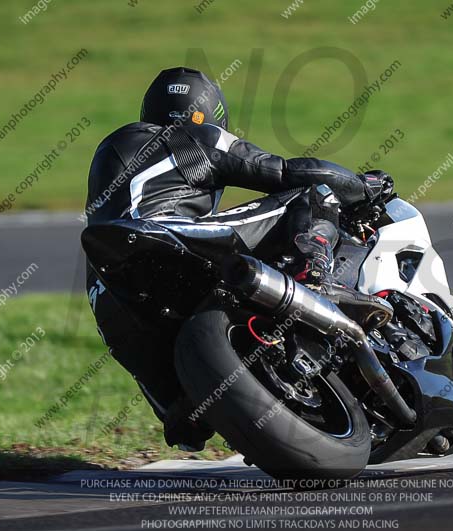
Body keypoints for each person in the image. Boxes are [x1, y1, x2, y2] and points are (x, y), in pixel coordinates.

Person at [84, 66, 393, 451]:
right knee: (313, 194)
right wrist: (364, 186)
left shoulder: (113, 156)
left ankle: (184, 402)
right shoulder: (192, 136)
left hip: (107, 295)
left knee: (184, 422)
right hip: (167, 236)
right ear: (208, 112)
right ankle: (313, 274)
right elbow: (286, 171)